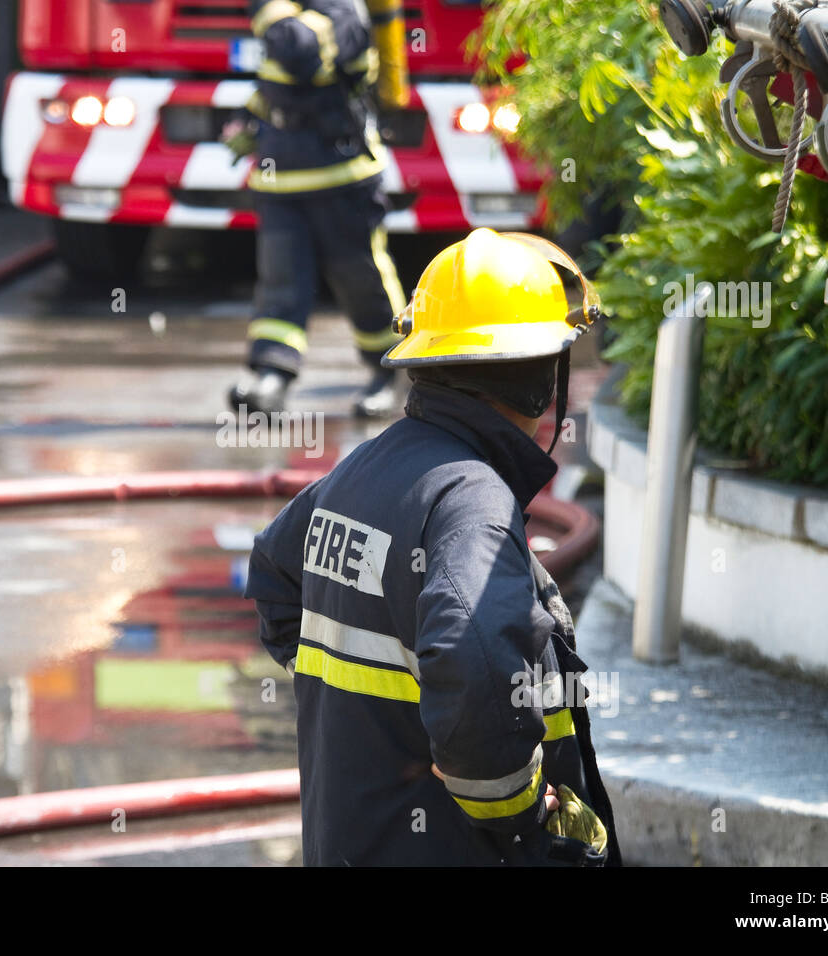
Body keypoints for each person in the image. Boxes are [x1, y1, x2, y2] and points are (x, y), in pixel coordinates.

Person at [243, 228, 621, 865]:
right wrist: (518, 807)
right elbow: (474, 656)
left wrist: (366, 721)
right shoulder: (473, 501)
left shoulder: (361, 471)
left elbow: (275, 576)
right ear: (539, 381)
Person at [224, 0, 411, 419]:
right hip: (280, 179)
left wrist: (269, 11)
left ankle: (389, 372)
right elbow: (275, 84)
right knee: (281, 280)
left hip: (342, 179)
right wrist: (245, 120)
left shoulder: (344, 11)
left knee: (361, 280)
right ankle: (273, 378)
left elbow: (300, 53)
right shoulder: (292, 10)